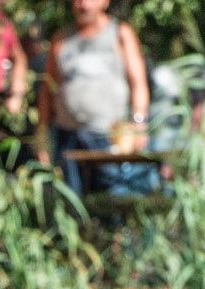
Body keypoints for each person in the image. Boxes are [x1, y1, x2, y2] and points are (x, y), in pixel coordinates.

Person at [39, 0, 147, 196]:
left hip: (108, 137)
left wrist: (139, 123)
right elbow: (47, 90)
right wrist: (43, 135)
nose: (84, 5)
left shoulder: (120, 33)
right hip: (68, 137)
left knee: (113, 198)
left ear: (105, 2)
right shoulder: (61, 39)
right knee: (72, 201)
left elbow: (138, 82)